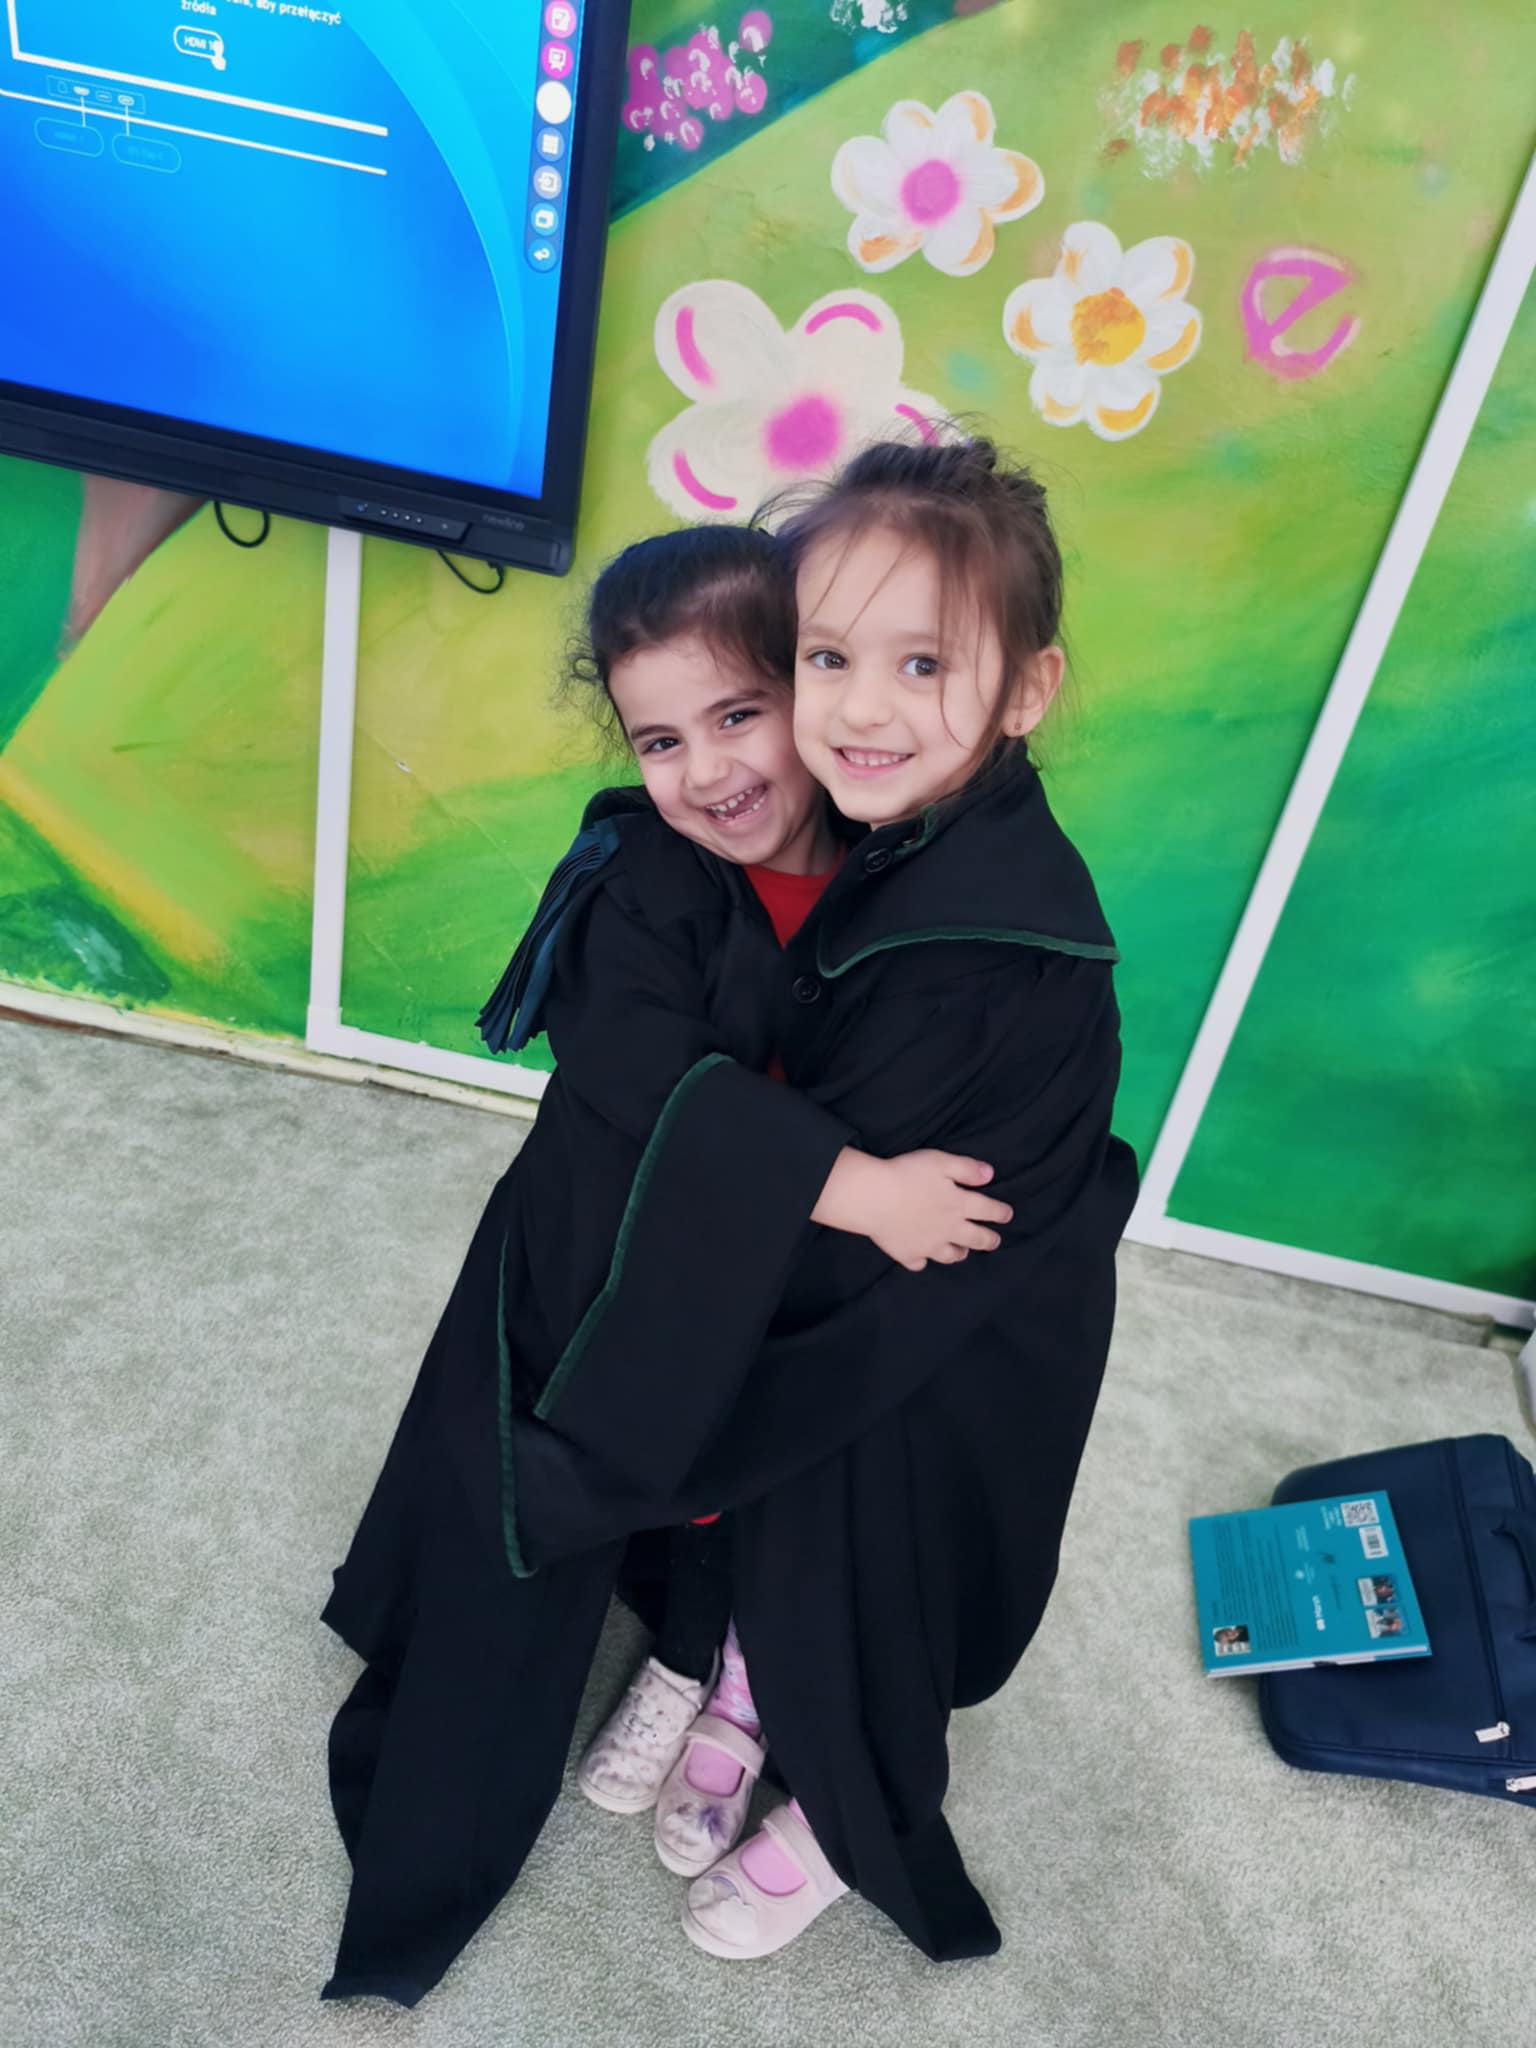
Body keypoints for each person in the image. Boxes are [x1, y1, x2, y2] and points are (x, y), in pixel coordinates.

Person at [320, 514, 1031, 2005]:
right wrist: (853, 1189)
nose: (707, 771)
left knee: (757, 1473)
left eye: (738, 713)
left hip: (764, 1280)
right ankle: (668, 1655)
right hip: (606, 1261)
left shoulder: (892, 863)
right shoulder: (642, 879)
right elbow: (640, 1070)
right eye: (659, 740)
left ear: (807, 690)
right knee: (567, 1480)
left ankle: (711, 1660)